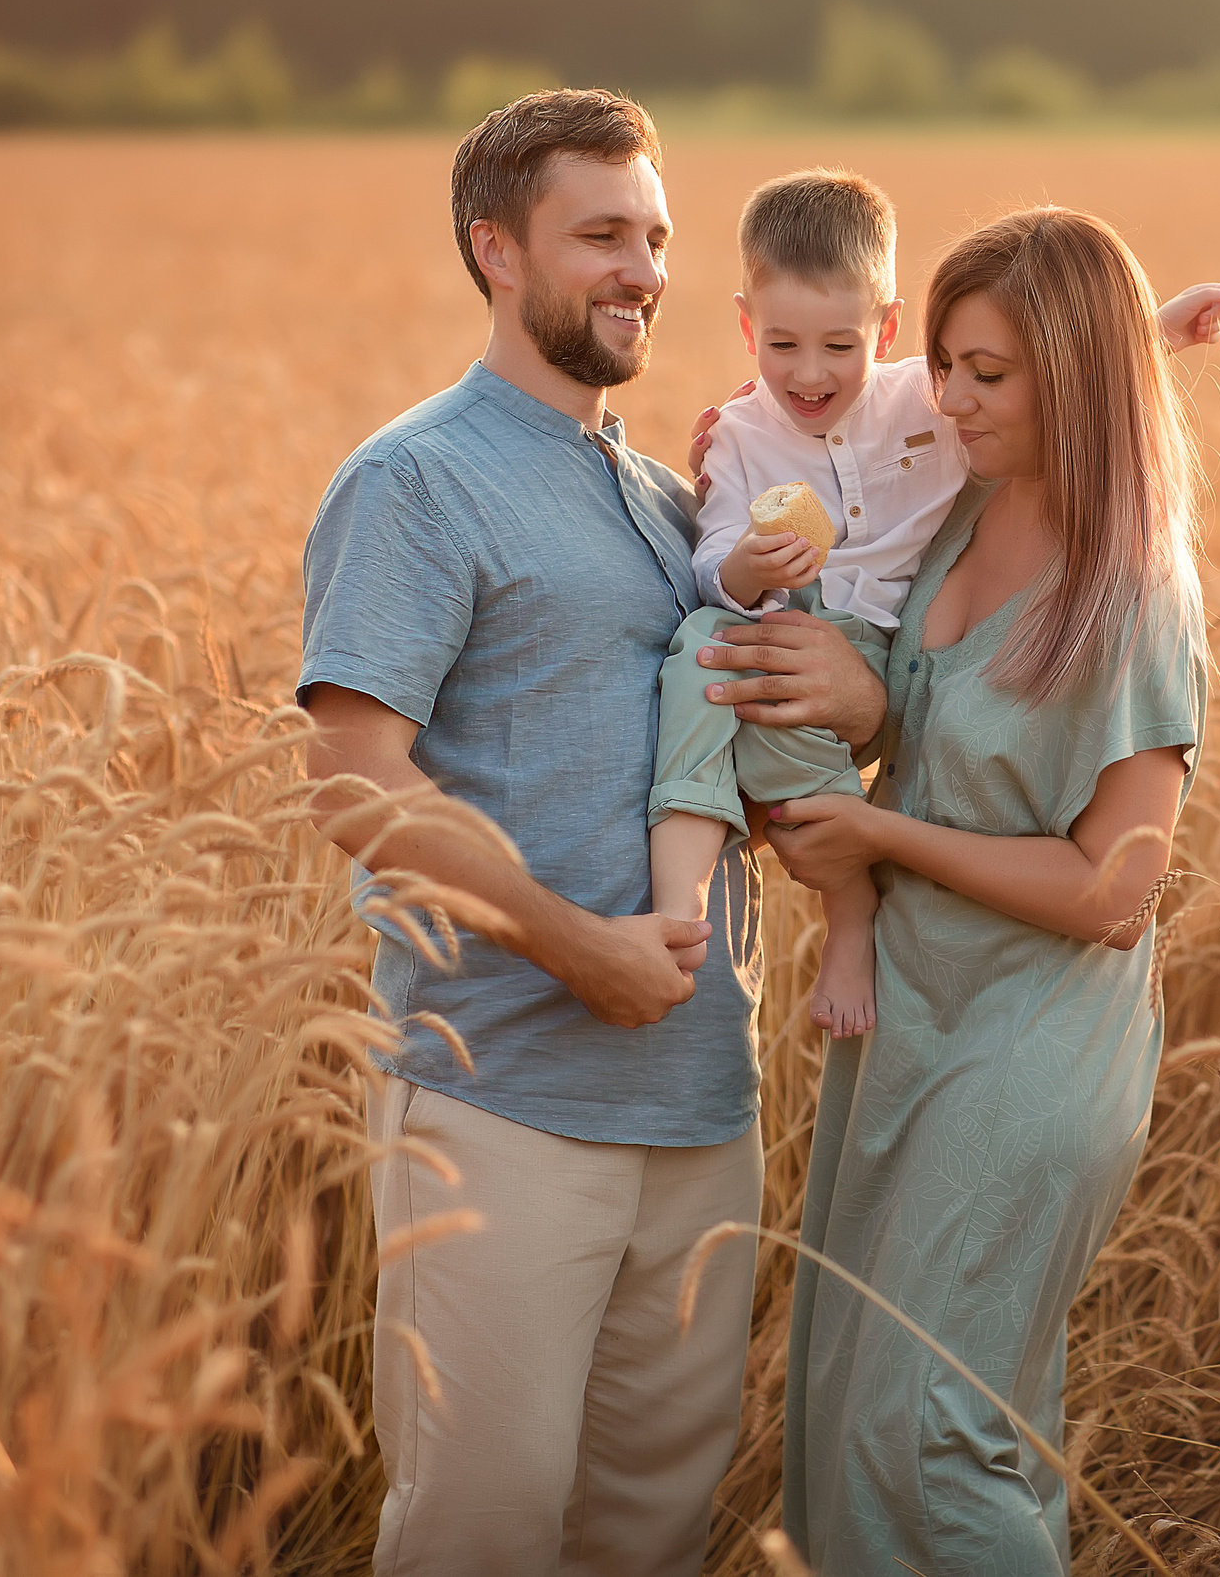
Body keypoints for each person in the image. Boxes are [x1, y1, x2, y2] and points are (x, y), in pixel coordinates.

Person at [296, 89, 887, 1577]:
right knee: (482, 1531)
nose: (644, 269)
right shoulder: (415, 479)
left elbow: (733, 748)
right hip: (505, 1098)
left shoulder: (673, 496)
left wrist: (848, 711)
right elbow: (358, 782)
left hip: (700, 1102)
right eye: (602, 234)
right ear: (497, 250)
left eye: (660, 236)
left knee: (650, 1530)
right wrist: (577, 948)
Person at [756, 206, 1217, 1575]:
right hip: (911, 1022)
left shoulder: (1133, 589)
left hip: (1032, 1042)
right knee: (868, 1401)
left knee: (928, 1425)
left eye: (990, 373)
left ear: (1071, 379)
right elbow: (831, 394)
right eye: (948, 362)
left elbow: (1114, 888)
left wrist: (884, 840)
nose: (951, 397)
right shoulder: (962, 504)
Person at [653, 169, 1220, 1040]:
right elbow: (714, 563)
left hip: (886, 661)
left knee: (776, 728)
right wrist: (742, 560)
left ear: (883, 332)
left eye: (839, 348)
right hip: (789, 633)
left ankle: (842, 919)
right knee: (706, 660)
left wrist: (1150, 337)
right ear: (747, 329)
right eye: (782, 348)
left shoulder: (924, 408)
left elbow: (1059, 376)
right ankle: (678, 900)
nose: (809, 375)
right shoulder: (754, 437)